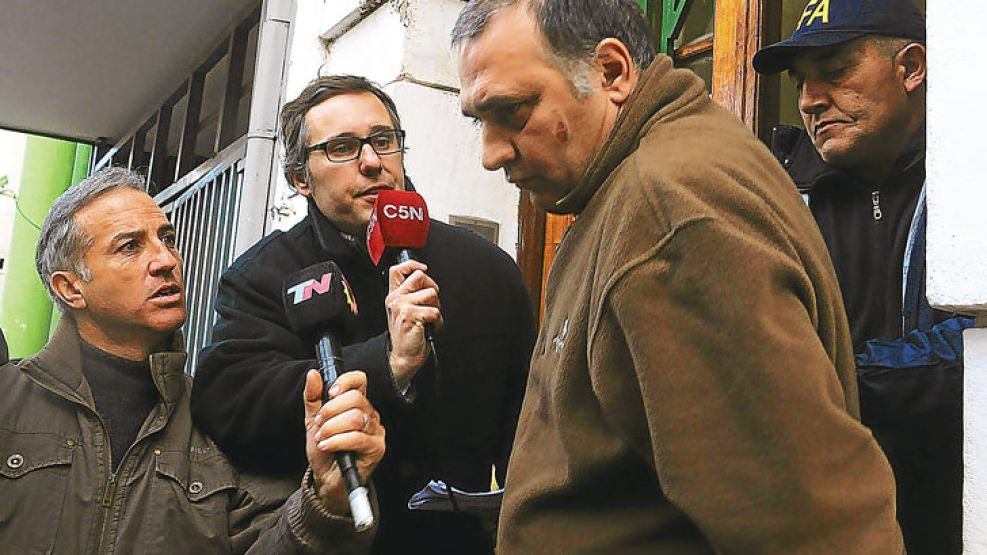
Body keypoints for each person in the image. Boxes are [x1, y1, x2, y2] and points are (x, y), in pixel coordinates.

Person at [451, 0, 905, 552]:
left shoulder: (668, 207)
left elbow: (811, 523)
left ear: (611, 73)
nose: (490, 154)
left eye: (513, 111)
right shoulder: (634, 183)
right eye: (480, 120)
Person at [191, 75, 535, 554]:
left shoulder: (486, 270)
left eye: (382, 140)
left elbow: (529, 430)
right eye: (342, 148)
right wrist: (386, 365)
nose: (372, 162)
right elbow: (229, 402)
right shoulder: (264, 275)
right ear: (299, 179)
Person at [0, 167, 385, 554]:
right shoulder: (8, 401)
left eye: (167, 239)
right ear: (70, 287)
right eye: (130, 246)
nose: (166, 260)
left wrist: (325, 502)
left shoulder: (218, 416)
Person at [753, 1, 973, 553]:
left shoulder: (972, 184)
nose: (808, 99)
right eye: (803, 80)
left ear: (911, 67)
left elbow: (977, 347)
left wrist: (834, 379)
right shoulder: (773, 201)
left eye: (834, 70)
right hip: (822, 525)